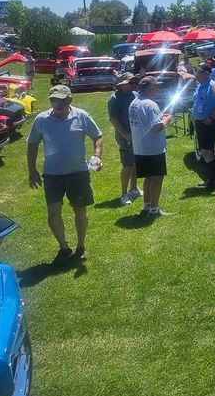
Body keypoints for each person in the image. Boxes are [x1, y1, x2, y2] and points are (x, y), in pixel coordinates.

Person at [27, 84, 103, 264]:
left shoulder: (81, 116)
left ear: (69, 99)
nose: (56, 103)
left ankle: (81, 246)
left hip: (78, 173)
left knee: (80, 210)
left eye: (60, 100)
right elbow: (32, 144)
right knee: (53, 213)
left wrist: (97, 156)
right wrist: (32, 171)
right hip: (52, 175)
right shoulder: (41, 119)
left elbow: (97, 136)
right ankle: (64, 247)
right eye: (53, 100)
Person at [129, 76, 172, 217]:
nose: (158, 89)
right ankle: (154, 209)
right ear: (151, 88)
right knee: (157, 179)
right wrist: (167, 120)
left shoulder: (134, 103)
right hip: (153, 149)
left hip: (140, 148)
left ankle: (147, 205)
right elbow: (156, 127)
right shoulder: (150, 104)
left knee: (148, 178)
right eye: (156, 86)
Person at [107, 72, 141, 206]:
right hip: (125, 136)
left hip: (137, 134)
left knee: (136, 163)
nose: (133, 84)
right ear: (122, 84)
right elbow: (113, 119)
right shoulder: (115, 98)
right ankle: (124, 194)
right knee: (127, 165)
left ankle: (134, 188)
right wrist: (126, 135)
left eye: (134, 81)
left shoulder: (136, 95)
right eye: (130, 82)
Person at [192, 62, 215, 188]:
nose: (195, 74)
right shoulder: (200, 85)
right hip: (201, 123)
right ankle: (213, 179)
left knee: (207, 152)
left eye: (198, 71)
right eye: (195, 71)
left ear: (206, 74)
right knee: (206, 151)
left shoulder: (213, 86)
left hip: (209, 124)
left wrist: (211, 118)